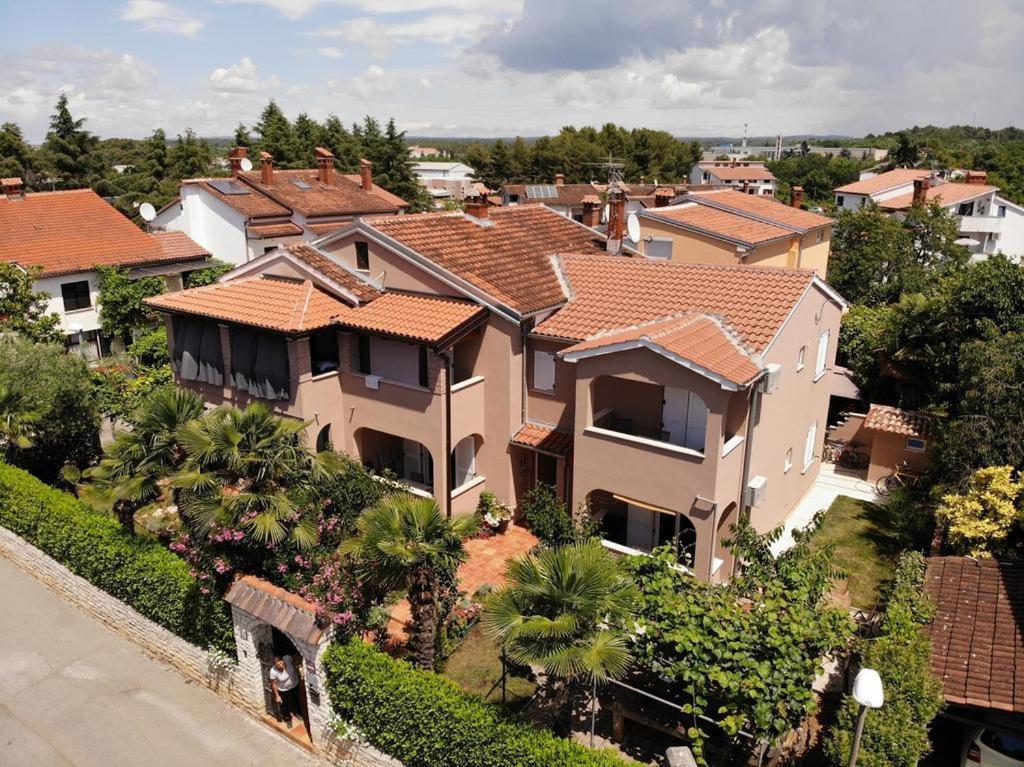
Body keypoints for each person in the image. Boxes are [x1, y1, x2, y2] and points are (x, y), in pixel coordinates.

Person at [269, 654, 301, 729]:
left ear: (283, 660)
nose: (281, 665)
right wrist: (277, 696)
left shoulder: (287, 658)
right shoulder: (273, 671)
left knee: (295, 699)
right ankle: (287, 719)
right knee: (285, 705)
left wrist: (298, 669)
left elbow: (296, 658)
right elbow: (274, 684)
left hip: (294, 684)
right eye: (278, 665)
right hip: (283, 689)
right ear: (275, 665)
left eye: (281, 663)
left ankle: (297, 712)